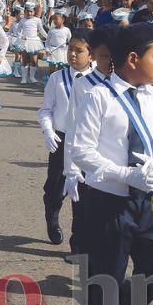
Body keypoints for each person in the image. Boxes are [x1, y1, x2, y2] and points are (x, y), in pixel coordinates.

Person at [70, 23, 153, 305]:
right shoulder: (98, 97)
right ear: (133, 59)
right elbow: (81, 151)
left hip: (147, 203)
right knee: (107, 276)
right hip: (108, 201)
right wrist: (124, 174)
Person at [61, 26, 116, 261]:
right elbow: (73, 128)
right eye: (104, 56)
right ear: (94, 56)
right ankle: (81, 253)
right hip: (87, 160)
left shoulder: (128, 84)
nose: (111, 62)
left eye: (115, 56)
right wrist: (71, 169)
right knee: (83, 212)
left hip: (114, 164)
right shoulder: (84, 84)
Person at [39, 28, 94, 245]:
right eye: (70, 49)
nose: (72, 54)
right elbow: (46, 109)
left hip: (87, 143)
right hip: (61, 141)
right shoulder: (57, 77)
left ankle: (78, 240)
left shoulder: (97, 80)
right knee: (55, 188)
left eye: (79, 51)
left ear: (91, 55)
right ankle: (51, 218)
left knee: (83, 193)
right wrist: (48, 131)